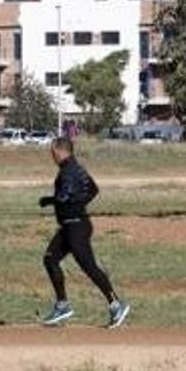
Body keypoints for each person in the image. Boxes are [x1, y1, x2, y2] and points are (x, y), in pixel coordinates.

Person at [38, 135, 130, 328]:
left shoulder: (68, 171)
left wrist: (50, 200)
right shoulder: (77, 168)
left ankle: (116, 305)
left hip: (76, 227)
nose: (51, 156)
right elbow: (93, 190)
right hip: (70, 226)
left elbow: (64, 197)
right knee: (50, 259)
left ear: (60, 151)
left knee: (89, 267)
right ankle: (62, 306)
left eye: (52, 152)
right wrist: (77, 203)